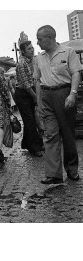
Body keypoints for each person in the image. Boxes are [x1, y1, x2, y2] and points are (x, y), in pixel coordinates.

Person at [34, 25, 83, 184]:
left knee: (68, 134)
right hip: (46, 95)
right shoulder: (39, 58)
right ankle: (54, 174)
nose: (37, 43)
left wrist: (72, 94)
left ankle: (72, 170)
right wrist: (39, 101)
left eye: (40, 39)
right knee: (50, 134)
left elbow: (76, 72)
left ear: (50, 37)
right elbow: (37, 80)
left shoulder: (68, 52)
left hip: (64, 94)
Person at [14, 37, 43, 157]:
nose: (32, 50)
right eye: (29, 49)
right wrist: (36, 97)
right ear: (23, 52)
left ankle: (27, 143)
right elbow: (26, 84)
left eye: (32, 48)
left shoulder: (32, 61)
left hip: (31, 92)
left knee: (31, 120)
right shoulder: (21, 64)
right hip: (23, 94)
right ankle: (35, 148)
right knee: (30, 121)